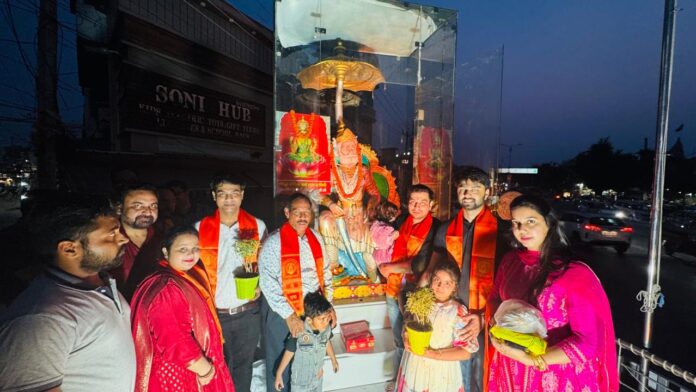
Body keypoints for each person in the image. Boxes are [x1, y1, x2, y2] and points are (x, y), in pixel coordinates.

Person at [0, 201, 136, 391]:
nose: (124, 239)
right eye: (112, 234)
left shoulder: (99, 281)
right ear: (69, 249)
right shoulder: (41, 319)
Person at [487, 194, 618, 391]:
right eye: (516, 223)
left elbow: (588, 343)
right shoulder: (510, 261)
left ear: (549, 223)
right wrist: (495, 328)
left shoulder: (574, 274)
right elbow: (495, 298)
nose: (522, 229)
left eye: (531, 221)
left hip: (554, 374)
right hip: (510, 368)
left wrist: (534, 360)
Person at [421, 167, 510, 392]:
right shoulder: (445, 229)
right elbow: (434, 268)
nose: (467, 193)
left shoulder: (502, 231)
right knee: (454, 371)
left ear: (487, 192)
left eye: (474, 188)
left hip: (486, 313)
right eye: (462, 188)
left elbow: (507, 281)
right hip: (453, 312)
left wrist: (484, 316)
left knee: (482, 371)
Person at [130, 226, 234, 391]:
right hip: (175, 375)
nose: (191, 254)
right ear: (166, 251)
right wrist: (206, 371)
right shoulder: (166, 288)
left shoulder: (180, 277)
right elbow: (175, 341)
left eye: (195, 249)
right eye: (183, 249)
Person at [196, 174, 267, 392]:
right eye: (223, 194)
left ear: (242, 196)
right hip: (215, 314)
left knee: (244, 368)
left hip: (247, 313)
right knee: (217, 367)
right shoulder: (200, 228)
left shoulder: (257, 225)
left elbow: (266, 264)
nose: (229, 199)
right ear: (214, 196)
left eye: (234, 194)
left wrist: (260, 286)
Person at [260, 192, 334, 392]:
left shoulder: (316, 238)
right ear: (287, 213)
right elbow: (268, 283)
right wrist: (289, 315)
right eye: (297, 212)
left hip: (312, 313)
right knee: (280, 364)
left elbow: (326, 272)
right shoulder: (274, 243)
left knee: (306, 362)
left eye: (306, 212)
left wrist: (329, 305)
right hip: (282, 313)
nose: (302, 217)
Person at [380, 184, 440, 376]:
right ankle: (401, 378)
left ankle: (417, 377)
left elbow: (420, 265)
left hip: (417, 292)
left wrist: (389, 268)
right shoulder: (401, 221)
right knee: (398, 337)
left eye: (423, 202)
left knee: (415, 336)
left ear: (431, 204)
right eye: (413, 202)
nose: (417, 207)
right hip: (394, 287)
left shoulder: (436, 227)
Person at [396, 260, 479, 392]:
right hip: (415, 366)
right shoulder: (421, 301)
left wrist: (434, 355)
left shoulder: (457, 311)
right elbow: (408, 323)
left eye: (447, 283)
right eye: (437, 280)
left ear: (455, 287)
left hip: (441, 373)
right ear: (430, 280)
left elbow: (465, 353)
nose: (440, 286)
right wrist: (405, 336)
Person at [274, 291, 339, 392]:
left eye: (328, 318)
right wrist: (279, 373)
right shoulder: (299, 331)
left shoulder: (326, 329)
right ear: (309, 320)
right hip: (300, 382)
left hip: (317, 377)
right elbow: (289, 351)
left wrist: (333, 360)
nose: (326, 322)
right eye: (322, 319)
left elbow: (327, 343)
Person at [111, 183, 164, 300]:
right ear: (119, 209)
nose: (147, 212)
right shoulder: (108, 241)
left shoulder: (163, 238)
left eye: (153, 206)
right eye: (138, 206)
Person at [370, 200, 400, 266]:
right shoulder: (387, 229)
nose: (395, 217)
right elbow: (383, 243)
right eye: (394, 215)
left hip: (376, 255)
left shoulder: (375, 225)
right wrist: (393, 236)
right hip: (384, 257)